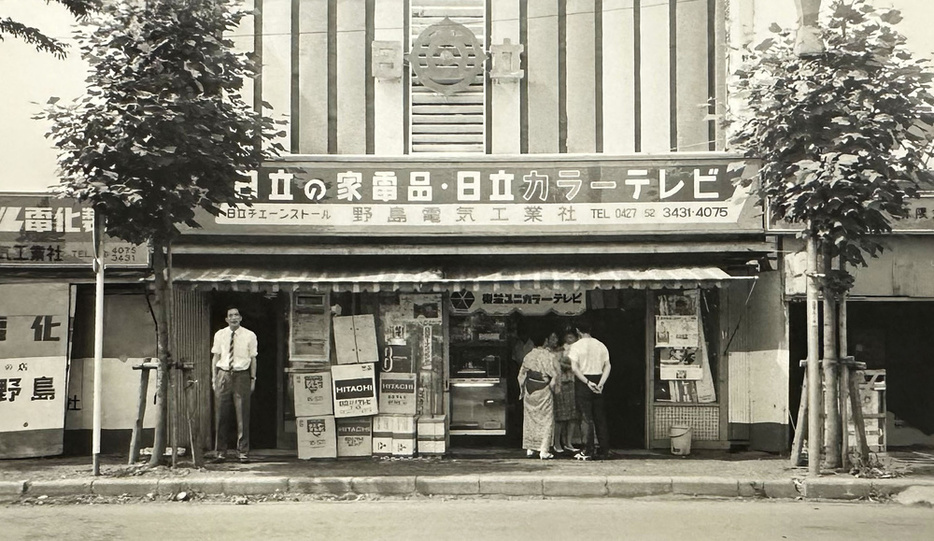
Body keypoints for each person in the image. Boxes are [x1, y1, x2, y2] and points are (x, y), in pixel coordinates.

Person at [210, 306, 258, 464]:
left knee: (242, 415)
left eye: (236, 315)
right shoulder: (220, 334)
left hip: (242, 375)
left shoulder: (249, 335)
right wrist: (214, 378)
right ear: (226, 319)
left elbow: (253, 359)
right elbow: (215, 357)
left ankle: (243, 452)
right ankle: (220, 453)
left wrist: (253, 379)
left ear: (241, 317)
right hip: (223, 374)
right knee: (221, 415)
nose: (233, 318)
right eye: (230, 315)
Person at [568, 319, 611, 460]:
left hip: (583, 381)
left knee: (586, 417)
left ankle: (588, 450)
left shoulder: (576, 346)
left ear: (578, 331)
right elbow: (608, 365)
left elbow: (574, 368)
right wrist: (601, 383)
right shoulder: (600, 345)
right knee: (600, 416)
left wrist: (587, 382)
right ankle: (604, 449)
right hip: (599, 378)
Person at [517, 327, 559, 459]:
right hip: (543, 389)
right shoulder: (549, 356)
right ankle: (544, 450)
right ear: (546, 340)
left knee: (530, 419)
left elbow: (521, 375)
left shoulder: (528, 355)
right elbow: (554, 374)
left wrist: (522, 390)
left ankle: (530, 448)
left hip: (530, 389)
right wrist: (555, 384)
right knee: (546, 420)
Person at [551, 327, 579, 454]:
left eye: (572, 337)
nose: (571, 340)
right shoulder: (559, 351)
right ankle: (557, 442)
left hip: (572, 383)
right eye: (568, 338)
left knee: (572, 416)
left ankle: (568, 442)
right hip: (561, 384)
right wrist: (571, 366)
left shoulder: (578, 350)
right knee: (560, 416)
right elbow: (557, 364)